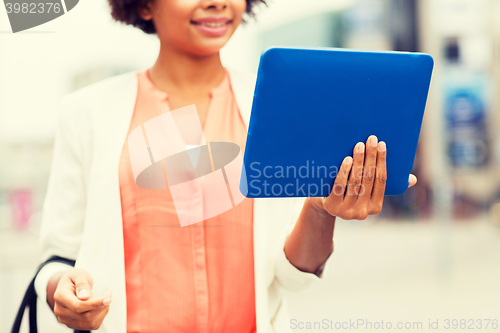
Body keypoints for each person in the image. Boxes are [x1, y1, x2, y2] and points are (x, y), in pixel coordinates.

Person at [34, 0, 418, 332]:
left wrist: (319, 209)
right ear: (145, 4)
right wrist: (61, 288)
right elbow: (56, 258)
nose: (217, 2)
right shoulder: (88, 113)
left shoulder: (276, 107)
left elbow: (291, 276)